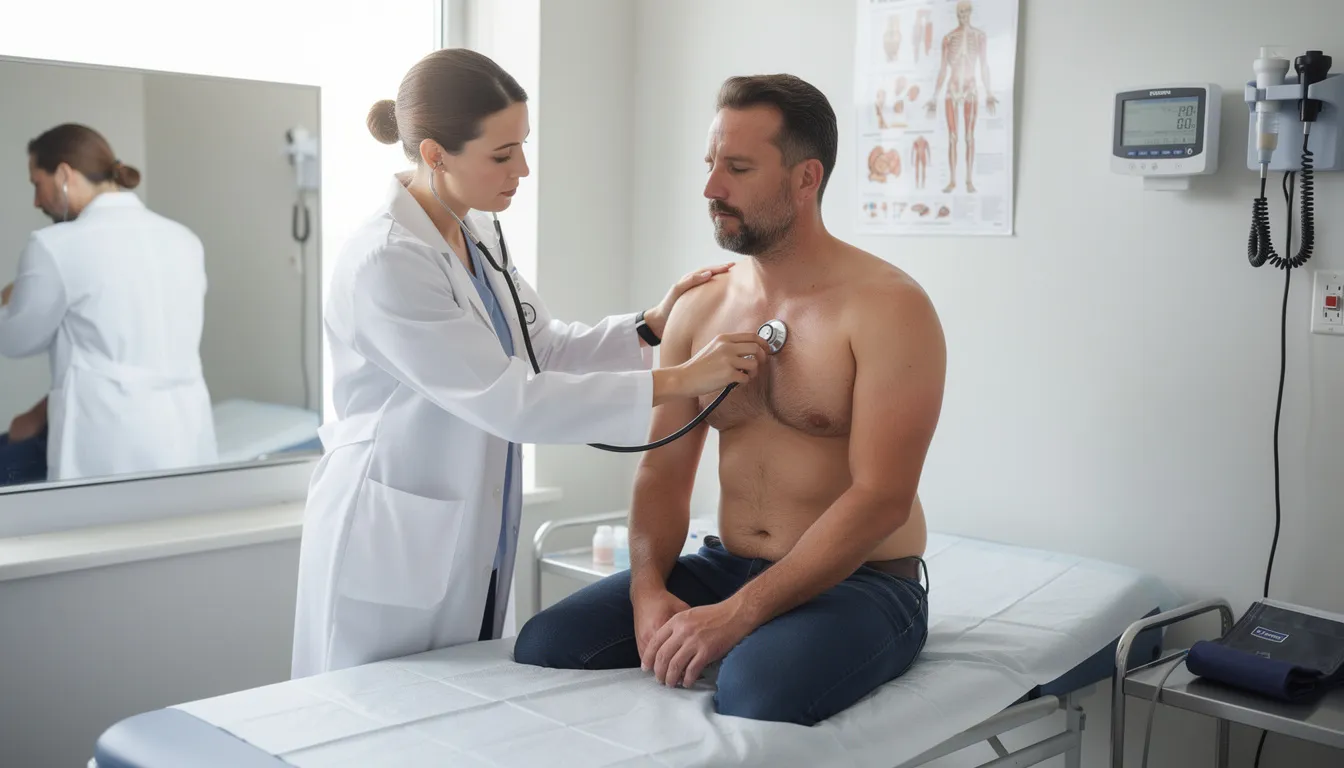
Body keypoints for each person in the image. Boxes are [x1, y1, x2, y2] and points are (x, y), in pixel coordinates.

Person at [290, 48, 770, 679]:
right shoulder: (388, 259)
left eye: (522, 145)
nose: (522, 168)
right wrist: (682, 379)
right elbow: (510, 398)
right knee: (370, 721)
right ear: (435, 154)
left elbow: (540, 348)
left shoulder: (474, 230)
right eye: (501, 154)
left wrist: (649, 325)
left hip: (467, 525)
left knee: (462, 705)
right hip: (397, 529)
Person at [515, 74, 947, 726]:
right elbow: (661, 470)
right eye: (711, 163)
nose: (711, 187)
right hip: (727, 564)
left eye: (738, 167)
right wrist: (647, 592)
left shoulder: (888, 307)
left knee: (754, 691)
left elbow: (881, 497)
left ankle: (759, 636)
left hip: (861, 580)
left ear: (806, 179)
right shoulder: (701, 304)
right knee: (546, 643)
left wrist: (739, 615)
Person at [0, 124, 217, 484]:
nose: (37, 201)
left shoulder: (55, 245)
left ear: (64, 173)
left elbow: (13, 338)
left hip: (106, 446)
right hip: (185, 438)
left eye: (36, 184)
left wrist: (9, 295)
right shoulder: (185, 239)